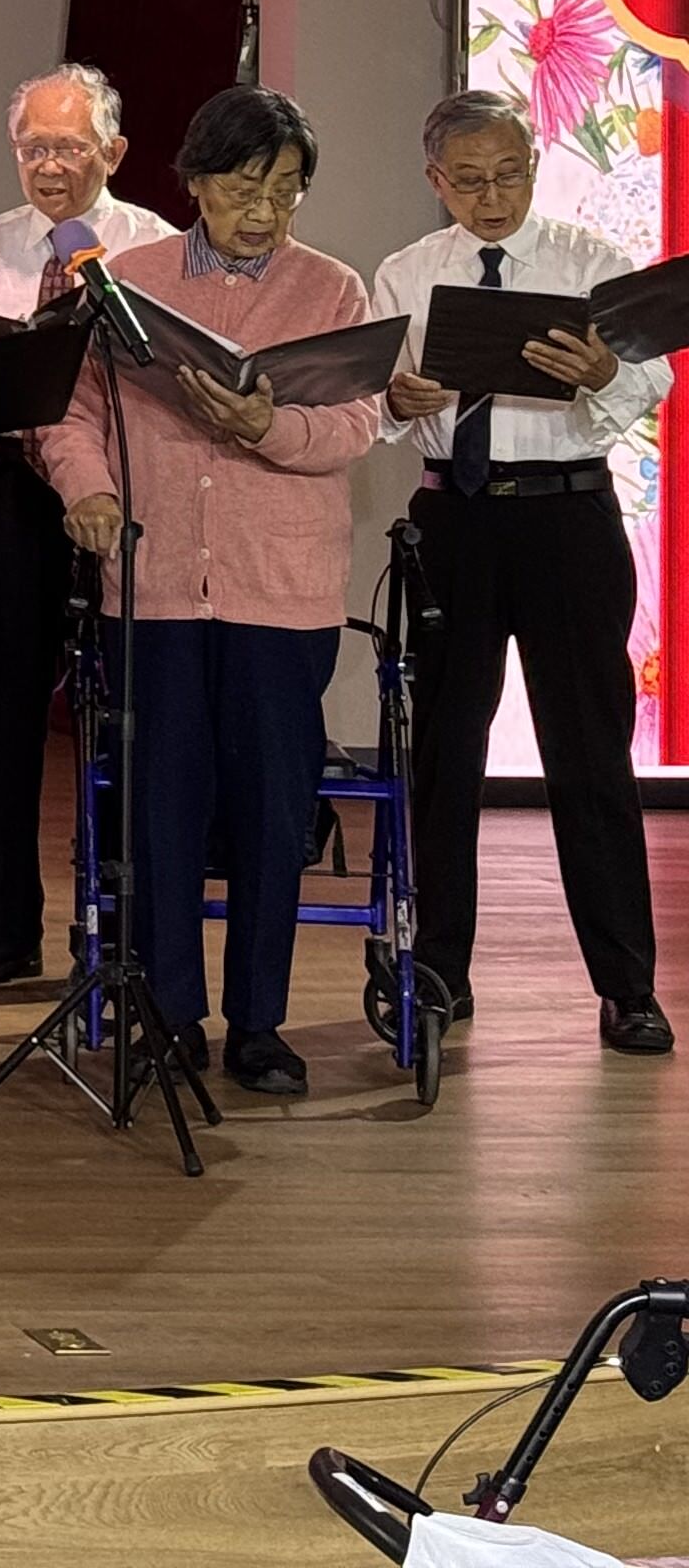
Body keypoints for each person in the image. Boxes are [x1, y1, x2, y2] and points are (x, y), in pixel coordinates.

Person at [43, 85, 380, 1099]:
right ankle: (171, 1016)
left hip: (281, 592)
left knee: (274, 814)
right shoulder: (128, 283)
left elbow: (356, 424)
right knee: (163, 809)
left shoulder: (332, 289)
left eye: (287, 189)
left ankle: (260, 1026)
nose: (265, 209)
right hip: (152, 589)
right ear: (195, 181)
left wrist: (264, 427)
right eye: (244, 185)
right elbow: (69, 412)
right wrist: (88, 489)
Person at [372, 89, 671, 1055]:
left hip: (567, 518)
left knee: (589, 752)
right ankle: (438, 974)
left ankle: (628, 988)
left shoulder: (590, 261)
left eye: (508, 175)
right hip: (452, 521)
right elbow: (370, 406)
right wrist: (397, 400)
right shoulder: (407, 271)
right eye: (469, 181)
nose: (491, 197)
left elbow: (652, 379)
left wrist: (602, 375)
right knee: (444, 753)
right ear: (436, 180)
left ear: (535, 167)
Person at [0, 63, 179, 991]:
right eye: (34, 148)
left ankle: (120, 933)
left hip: (123, 493)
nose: (50, 166)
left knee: (127, 716)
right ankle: (0, 932)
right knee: (5, 714)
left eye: (69, 147)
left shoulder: (154, 246)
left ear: (114, 150)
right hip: (9, 494)